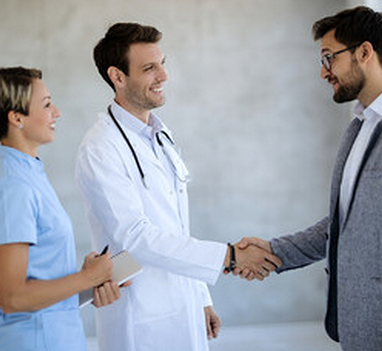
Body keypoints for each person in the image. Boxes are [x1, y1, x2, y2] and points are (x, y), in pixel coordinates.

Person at [237, 6, 382, 351]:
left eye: (329, 58)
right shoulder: (359, 126)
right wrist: (273, 251)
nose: (323, 72)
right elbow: (343, 223)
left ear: (364, 52)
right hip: (361, 334)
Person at [75, 23, 281, 351]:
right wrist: (228, 256)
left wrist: (200, 296)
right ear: (117, 76)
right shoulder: (101, 147)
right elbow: (135, 237)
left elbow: (177, 226)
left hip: (183, 305)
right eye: (149, 68)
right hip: (140, 317)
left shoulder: (160, 134)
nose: (164, 75)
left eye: (162, 63)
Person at [0, 66, 122, 351]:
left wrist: (91, 284)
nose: (57, 112)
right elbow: (12, 297)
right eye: (47, 104)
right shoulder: (14, 188)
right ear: (16, 118)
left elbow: (38, 288)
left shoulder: (29, 175)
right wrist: (87, 277)